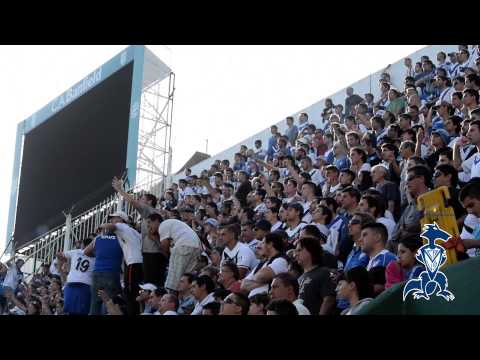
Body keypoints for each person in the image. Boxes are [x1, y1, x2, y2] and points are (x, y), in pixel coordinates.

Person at [111, 177, 164, 286]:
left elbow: (132, 202)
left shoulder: (149, 210)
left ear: (149, 202)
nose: (139, 200)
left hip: (152, 254)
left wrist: (120, 190)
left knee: (151, 286)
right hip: (152, 254)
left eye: (142, 198)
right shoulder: (150, 215)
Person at [97, 211, 144, 316]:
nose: (111, 220)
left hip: (133, 263)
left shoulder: (121, 226)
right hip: (139, 262)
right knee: (135, 291)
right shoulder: (133, 231)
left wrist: (101, 226)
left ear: (120, 219)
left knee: (131, 292)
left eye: (113, 218)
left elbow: (109, 226)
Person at [83, 230, 123, 315]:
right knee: (113, 304)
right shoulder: (120, 238)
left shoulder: (98, 238)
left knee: (94, 305)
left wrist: (97, 255)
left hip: (96, 275)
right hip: (111, 274)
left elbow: (85, 252)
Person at [158, 218, 203, 292]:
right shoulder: (176, 225)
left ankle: (169, 300)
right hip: (197, 246)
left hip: (183, 245)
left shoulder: (162, 225)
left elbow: (164, 245)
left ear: (156, 221)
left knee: (173, 282)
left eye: (149, 223)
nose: (148, 226)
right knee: (187, 280)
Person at [295, 236, 336, 315]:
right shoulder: (299, 278)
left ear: (311, 251)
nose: (295, 254)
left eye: (299, 250)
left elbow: (329, 299)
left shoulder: (324, 273)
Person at [240, 232, 288, 297]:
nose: (260, 245)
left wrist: (253, 281)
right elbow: (243, 285)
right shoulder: (262, 263)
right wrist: (266, 283)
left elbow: (260, 276)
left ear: (270, 244)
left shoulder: (281, 260)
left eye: (263, 243)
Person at [56, 237, 95, 315]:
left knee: (70, 310)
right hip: (86, 284)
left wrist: (64, 263)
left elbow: (58, 254)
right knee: (83, 311)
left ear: (83, 245)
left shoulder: (76, 252)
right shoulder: (95, 257)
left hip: (71, 283)